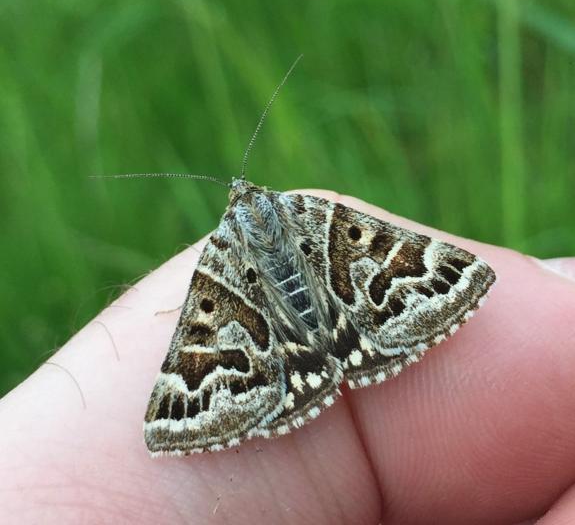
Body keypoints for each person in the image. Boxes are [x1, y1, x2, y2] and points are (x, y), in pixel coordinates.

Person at [1, 191, 574, 524]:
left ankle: (303, 366)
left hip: (291, 361)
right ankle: (345, 346)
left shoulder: (220, 253)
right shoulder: (308, 210)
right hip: (355, 328)